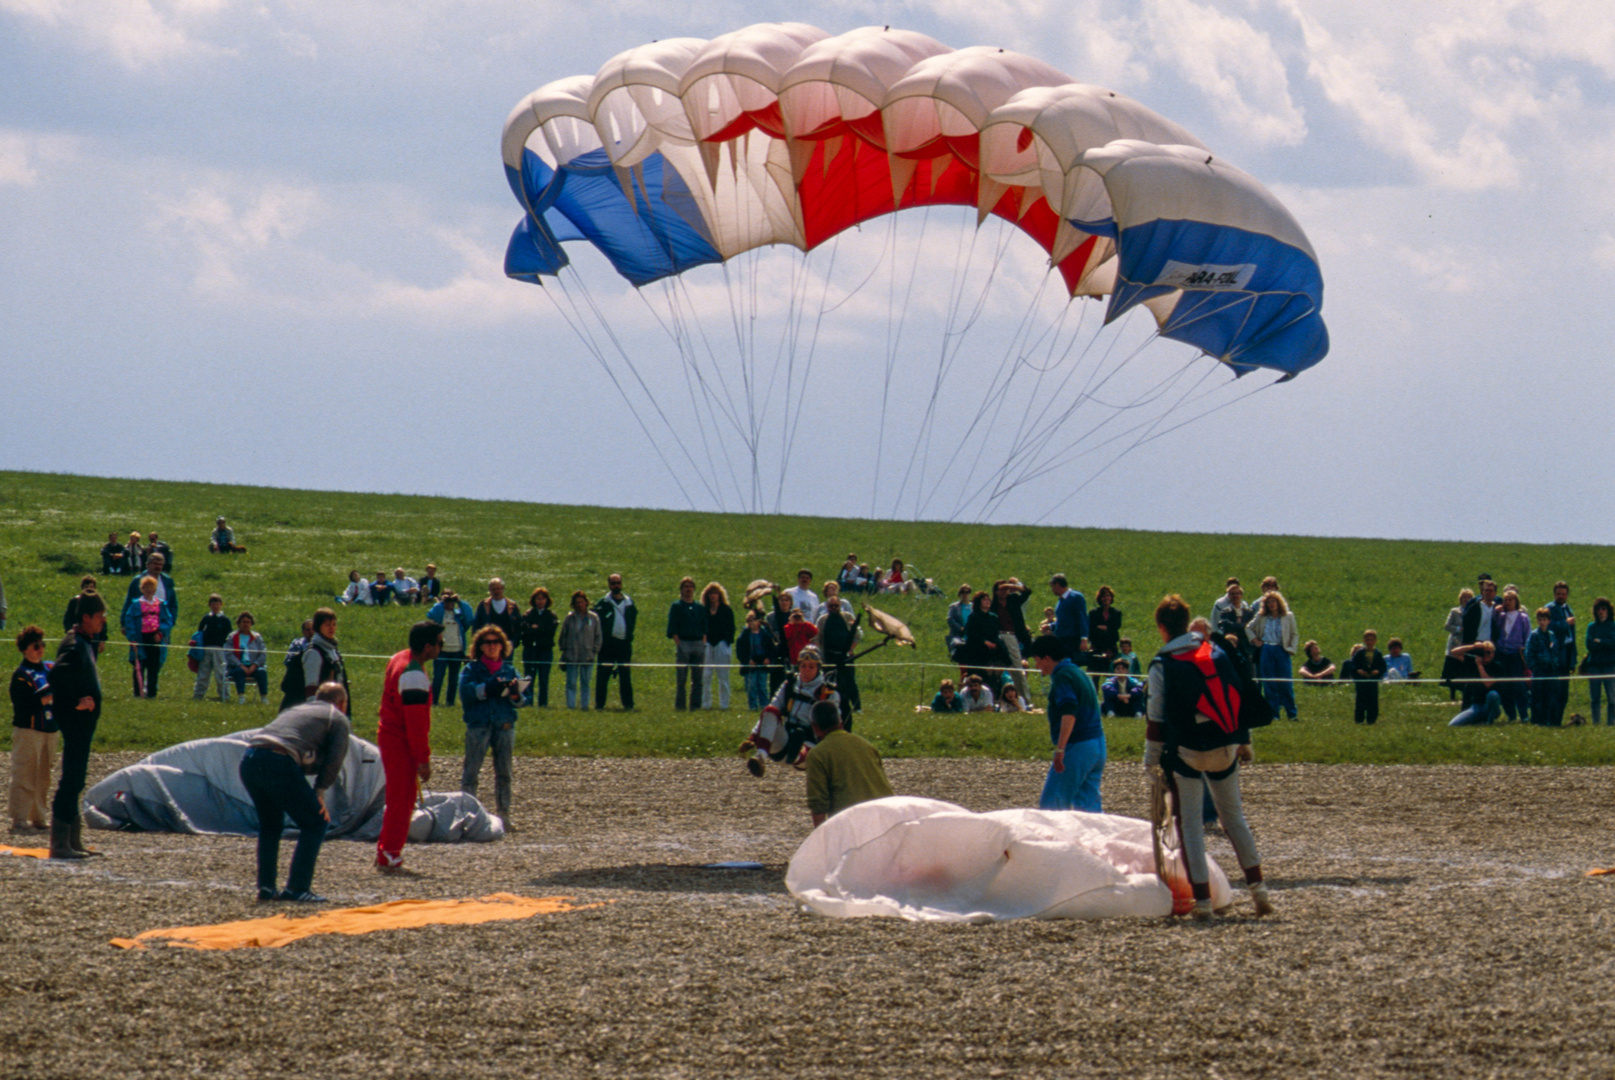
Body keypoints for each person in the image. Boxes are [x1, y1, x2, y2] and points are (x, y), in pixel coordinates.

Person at [1143, 594, 1272, 920]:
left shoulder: (1162, 663)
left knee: (1190, 826)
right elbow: (1238, 695)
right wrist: (1244, 742)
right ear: (1188, 623)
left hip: (1189, 752)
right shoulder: (1214, 651)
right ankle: (1259, 891)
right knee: (1234, 818)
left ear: (1161, 628)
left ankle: (1202, 904)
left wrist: (1151, 761)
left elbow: (1155, 718)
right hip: (1227, 746)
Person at [239, 684, 351, 903]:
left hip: (249, 759)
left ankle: (267, 887)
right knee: (315, 823)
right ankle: (297, 888)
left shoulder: (298, 710)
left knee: (271, 825)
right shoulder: (336, 718)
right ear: (341, 704)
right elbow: (334, 759)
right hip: (278, 760)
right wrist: (319, 792)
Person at [375, 621, 442, 873]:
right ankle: (390, 852)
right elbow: (416, 723)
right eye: (439, 643)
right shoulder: (413, 674)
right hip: (399, 739)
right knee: (402, 799)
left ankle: (385, 849)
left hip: (389, 734)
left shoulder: (399, 658)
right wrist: (423, 759)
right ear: (427, 647)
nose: (440, 648)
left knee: (397, 797)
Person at [45, 592, 106, 860]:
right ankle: (60, 843)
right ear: (86, 617)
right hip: (75, 722)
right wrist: (75, 702)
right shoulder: (73, 644)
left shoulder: (84, 642)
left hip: (83, 724)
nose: (103, 621)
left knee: (77, 778)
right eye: (99, 617)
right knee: (71, 778)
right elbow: (56, 677)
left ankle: (73, 839)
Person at [1026, 635, 1105, 813]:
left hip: (1078, 746)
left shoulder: (1062, 676)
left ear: (1047, 658)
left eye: (1037, 660)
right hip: (1097, 744)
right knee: (1088, 810)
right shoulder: (1077, 671)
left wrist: (1060, 749)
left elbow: (1069, 712)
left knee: (1051, 806)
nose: (1036, 666)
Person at [742, 646, 839, 777]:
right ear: (798, 667)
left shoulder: (828, 693)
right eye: (803, 666)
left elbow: (835, 726)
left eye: (811, 667)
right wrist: (753, 736)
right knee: (770, 710)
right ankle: (760, 757)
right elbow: (772, 709)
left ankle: (796, 755)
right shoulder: (789, 685)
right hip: (785, 740)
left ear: (818, 669)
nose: (806, 671)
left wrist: (822, 705)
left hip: (810, 743)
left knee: (808, 750)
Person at [459, 625, 521, 828]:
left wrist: (515, 694)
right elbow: (465, 693)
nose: (492, 646)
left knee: (504, 773)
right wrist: (487, 688)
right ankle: (467, 815)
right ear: (480, 646)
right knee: (471, 772)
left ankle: (504, 814)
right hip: (479, 725)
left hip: (504, 723)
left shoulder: (510, 670)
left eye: (496, 642)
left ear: (503, 646)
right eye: (488, 642)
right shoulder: (471, 670)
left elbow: (524, 698)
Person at [804, 700, 894, 827]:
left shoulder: (817, 754)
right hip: (888, 814)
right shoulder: (865, 744)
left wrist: (821, 841)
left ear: (814, 727)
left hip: (854, 821)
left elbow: (818, 804)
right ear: (840, 722)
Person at [10, 626, 56, 833]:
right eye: (36, 646)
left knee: (44, 776)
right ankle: (19, 818)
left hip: (50, 728)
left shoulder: (49, 668)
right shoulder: (20, 675)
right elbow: (22, 706)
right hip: (29, 730)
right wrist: (43, 698)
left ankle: (39, 816)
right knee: (25, 774)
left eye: (42, 645)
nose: (40, 650)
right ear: (25, 649)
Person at [1246, 591, 1299, 721]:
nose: (1271, 604)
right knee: (1269, 683)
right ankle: (1273, 713)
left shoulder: (1288, 616)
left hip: (1281, 649)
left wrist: (1291, 649)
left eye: (1273, 601)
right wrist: (1255, 641)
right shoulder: (1261, 617)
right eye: (1268, 602)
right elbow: (1248, 628)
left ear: (1278, 602)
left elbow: (1294, 634)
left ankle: (1291, 713)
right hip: (1267, 649)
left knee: (1285, 683)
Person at [122, 575, 174, 698]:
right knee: (139, 665)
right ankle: (138, 692)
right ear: (142, 588)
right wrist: (132, 638)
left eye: (152, 587)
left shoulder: (160, 604)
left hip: (155, 638)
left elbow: (168, 620)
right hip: (140, 638)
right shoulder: (136, 604)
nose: (149, 589)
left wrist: (161, 633)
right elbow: (129, 621)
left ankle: (151, 693)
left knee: (153, 666)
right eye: (146, 587)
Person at [815, 587, 861, 724]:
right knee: (830, 682)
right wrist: (821, 656)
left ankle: (857, 706)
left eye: (836, 605)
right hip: (829, 657)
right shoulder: (822, 620)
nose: (833, 608)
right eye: (831, 606)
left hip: (846, 656)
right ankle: (830, 705)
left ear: (840, 606)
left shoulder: (848, 617)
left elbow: (857, 634)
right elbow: (819, 639)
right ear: (827, 607)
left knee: (850, 682)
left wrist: (851, 650)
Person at [594, 573, 637, 710]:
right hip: (607, 645)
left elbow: (633, 619)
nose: (616, 585)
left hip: (624, 644)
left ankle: (628, 705)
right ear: (609, 585)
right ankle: (599, 705)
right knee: (603, 676)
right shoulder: (603, 603)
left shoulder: (629, 602)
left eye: (618, 583)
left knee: (625, 676)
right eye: (613, 583)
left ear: (622, 584)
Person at [426, 589, 474, 706]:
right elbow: (431, 614)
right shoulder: (439, 614)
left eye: (451, 600)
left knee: (453, 680)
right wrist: (441, 603)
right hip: (441, 651)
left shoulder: (458, 615)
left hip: (457, 651)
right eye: (447, 601)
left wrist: (460, 602)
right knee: (438, 678)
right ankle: (434, 701)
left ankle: (450, 702)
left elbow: (470, 618)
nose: (449, 603)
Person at [667, 577, 707, 711]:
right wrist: (679, 643)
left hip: (698, 643)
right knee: (681, 679)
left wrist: (703, 642)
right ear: (681, 589)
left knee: (697, 679)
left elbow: (704, 626)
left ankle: (695, 706)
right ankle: (680, 706)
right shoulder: (676, 606)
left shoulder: (699, 607)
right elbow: (672, 627)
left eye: (691, 586)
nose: (688, 589)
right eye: (686, 586)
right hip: (683, 643)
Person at [990, 577, 1033, 702]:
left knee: (1017, 669)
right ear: (995, 592)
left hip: (1013, 636)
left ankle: (1025, 699)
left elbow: (1027, 592)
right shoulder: (992, 605)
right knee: (996, 670)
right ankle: (996, 699)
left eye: (1006, 589)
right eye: (1001, 589)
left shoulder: (1013, 599)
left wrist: (1011, 586)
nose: (1004, 591)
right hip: (998, 638)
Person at [301, 608, 350, 714]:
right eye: (327, 625)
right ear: (318, 627)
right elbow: (311, 687)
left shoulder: (332, 650)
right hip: (322, 711)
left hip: (337, 708)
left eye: (334, 624)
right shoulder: (314, 652)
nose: (331, 628)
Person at [558, 590, 602, 709]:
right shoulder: (569, 618)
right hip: (571, 654)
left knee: (585, 682)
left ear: (586, 602)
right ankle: (571, 706)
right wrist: (564, 650)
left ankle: (585, 706)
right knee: (571, 683)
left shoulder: (593, 618)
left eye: (581, 602)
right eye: (577, 602)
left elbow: (598, 636)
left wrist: (594, 651)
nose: (579, 605)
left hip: (587, 655)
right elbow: (563, 635)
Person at [1494, 588, 1532, 722]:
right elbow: (1496, 631)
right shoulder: (1502, 617)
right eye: (1506, 600)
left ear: (1516, 601)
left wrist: (1526, 654)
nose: (1508, 602)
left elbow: (1528, 636)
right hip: (1502, 654)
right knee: (1504, 686)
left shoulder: (1523, 618)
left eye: (1511, 600)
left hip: (1516, 655)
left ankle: (1524, 714)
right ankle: (1511, 714)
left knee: (1519, 685)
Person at [519, 587, 558, 707]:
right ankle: (528, 702)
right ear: (534, 600)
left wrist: (537, 628)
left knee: (544, 678)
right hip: (530, 650)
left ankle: (543, 704)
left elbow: (550, 631)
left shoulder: (551, 615)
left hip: (545, 650)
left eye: (543, 598)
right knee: (529, 677)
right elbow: (524, 631)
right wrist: (534, 629)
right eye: (538, 598)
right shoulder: (528, 614)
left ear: (547, 600)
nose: (540, 601)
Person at [1448, 640, 1502, 726]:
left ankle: (1489, 721)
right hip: (1476, 705)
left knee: (1493, 694)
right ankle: (1479, 718)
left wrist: (1479, 665)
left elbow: (1487, 684)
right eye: (1483, 652)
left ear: (1493, 654)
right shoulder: (1473, 661)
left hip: (1490, 704)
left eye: (1488, 652)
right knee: (1453, 724)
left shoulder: (1497, 666)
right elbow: (1454, 652)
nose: (1485, 655)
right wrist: (1474, 647)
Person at [192, 593, 234, 702]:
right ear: (209, 605)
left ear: (221, 605)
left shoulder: (225, 620)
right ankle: (198, 695)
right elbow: (200, 633)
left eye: (217, 604)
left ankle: (224, 696)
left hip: (219, 650)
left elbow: (229, 636)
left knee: (220, 673)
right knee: (203, 674)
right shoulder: (206, 619)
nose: (215, 606)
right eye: (213, 604)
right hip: (206, 649)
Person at [1526, 608, 1563, 727]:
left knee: (1549, 695)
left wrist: (1555, 664)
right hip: (1539, 669)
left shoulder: (1551, 635)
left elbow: (1555, 651)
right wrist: (1534, 666)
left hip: (1550, 669)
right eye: (1540, 620)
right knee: (1537, 696)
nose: (1542, 622)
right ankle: (1537, 720)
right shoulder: (1534, 635)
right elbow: (1529, 652)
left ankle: (1548, 720)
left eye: (1544, 620)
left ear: (1549, 621)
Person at [701, 582, 736, 711]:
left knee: (723, 677)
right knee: (706, 676)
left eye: (715, 593)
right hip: (707, 645)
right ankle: (706, 704)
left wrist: (725, 642)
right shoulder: (703, 610)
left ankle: (724, 704)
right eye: (711, 593)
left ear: (719, 595)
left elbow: (731, 628)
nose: (713, 596)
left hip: (722, 644)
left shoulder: (726, 610)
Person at [1546, 581, 1576, 726]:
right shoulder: (1549, 609)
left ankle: (1559, 720)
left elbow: (1573, 637)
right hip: (1556, 654)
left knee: (1564, 692)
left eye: (1563, 594)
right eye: (1558, 594)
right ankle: (1553, 722)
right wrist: (1565, 623)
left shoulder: (1568, 609)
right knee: (1554, 691)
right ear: (1554, 594)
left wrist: (1573, 659)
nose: (1561, 596)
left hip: (1568, 653)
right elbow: (1549, 627)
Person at [225, 611, 269, 703]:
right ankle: (241, 696)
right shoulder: (232, 637)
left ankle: (264, 696)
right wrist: (240, 665)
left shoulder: (257, 637)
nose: (245, 624)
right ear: (239, 623)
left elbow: (263, 653)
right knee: (238, 672)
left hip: (253, 666)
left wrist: (255, 665)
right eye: (243, 622)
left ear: (251, 623)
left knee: (262, 672)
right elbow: (228, 654)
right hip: (237, 667)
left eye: (248, 622)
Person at [1440, 587, 1475, 699]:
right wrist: (1459, 629)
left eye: (1468, 597)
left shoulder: (1473, 612)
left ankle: (1465, 692)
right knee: (1452, 671)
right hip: (1455, 644)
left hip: (1466, 644)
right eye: (1464, 597)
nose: (1466, 599)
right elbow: (1447, 626)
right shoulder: (1455, 611)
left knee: (1464, 670)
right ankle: (1452, 694)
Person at [123, 551, 178, 623]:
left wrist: (171, 621)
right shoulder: (137, 581)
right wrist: (124, 623)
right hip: (141, 621)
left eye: (160, 565)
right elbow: (129, 602)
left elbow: (173, 604)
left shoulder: (167, 581)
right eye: (155, 564)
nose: (158, 567)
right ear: (148, 564)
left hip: (162, 621)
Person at [1345, 630, 1386, 725]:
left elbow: (1383, 666)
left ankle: (1371, 720)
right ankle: (1359, 719)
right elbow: (1353, 664)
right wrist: (1358, 670)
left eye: (1372, 640)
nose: (1369, 642)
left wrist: (1378, 671)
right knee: (1361, 700)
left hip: (1372, 681)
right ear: (1364, 640)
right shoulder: (1360, 653)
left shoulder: (1378, 653)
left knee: (1373, 700)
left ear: (1375, 641)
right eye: (1367, 640)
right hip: (1362, 681)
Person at [1585, 597, 1615, 726]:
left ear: (1608, 610)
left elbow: (1613, 644)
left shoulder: (1613, 626)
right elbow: (1589, 645)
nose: (1601, 611)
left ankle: (1611, 722)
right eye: (1598, 609)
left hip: (1610, 665)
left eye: (1604, 609)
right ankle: (1596, 722)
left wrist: (1600, 641)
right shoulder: (1591, 627)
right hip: (1594, 666)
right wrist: (1605, 643)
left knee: (1612, 697)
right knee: (1595, 697)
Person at [737, 609, 774, 710]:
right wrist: (746, 661)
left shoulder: (765, 634)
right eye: (749, 620)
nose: (752, 623)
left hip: (763, 663)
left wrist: (768, 658)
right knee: (751, 686)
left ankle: (764, 705)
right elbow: (740, 651)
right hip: (750, 664)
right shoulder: (744, 635)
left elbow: (771, 648)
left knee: (762, 686)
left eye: (754, 620)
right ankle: (753, 706)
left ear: (759, 621)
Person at [1049, 573, 1089, 661]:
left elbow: (1082, 618)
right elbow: (1064, 620)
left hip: (1071, 640)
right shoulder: (1061, 600)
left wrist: (1084, 638)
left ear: (1057, 585)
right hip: (1061, 639)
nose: (1052, 590)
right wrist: (1051, 626)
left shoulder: (1075, 597)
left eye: (1052, 586)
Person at [279, 619, 315, 710]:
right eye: (307, 630)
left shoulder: (319, 645)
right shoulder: (297, 643)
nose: (310, 632)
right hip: (297, 678)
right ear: (303, 632)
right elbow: (288, 660)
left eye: (312, 629)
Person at [765, 592, 795, 696]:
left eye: (787, 600)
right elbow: (768, 635)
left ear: (790, 603)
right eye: (781, 600)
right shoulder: (770, 617)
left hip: (790, 651)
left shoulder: (793, 616)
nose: (784, 602)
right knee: (775, 682)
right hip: (775, 652)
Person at [1087, 585, 1122, 673]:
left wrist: (1101, 627)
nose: (1106, 598)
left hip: (1111, 646)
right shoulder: (1093, 613)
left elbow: (1115, 627)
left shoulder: (1116, 613)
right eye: (1103, 596)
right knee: (1095, 673)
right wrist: (1106, 628)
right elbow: (1092, 629)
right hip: (1097, 646)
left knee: (1111, 672)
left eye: (1108, 595)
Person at [946, 584, 972, 665]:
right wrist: (960, 628)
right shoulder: (954, 607)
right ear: (959, 594)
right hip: (959, 635)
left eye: (967, 592)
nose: (965, 594)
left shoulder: (974, 607)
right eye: (963, 592)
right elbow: (950, 619)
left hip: (971, 634)